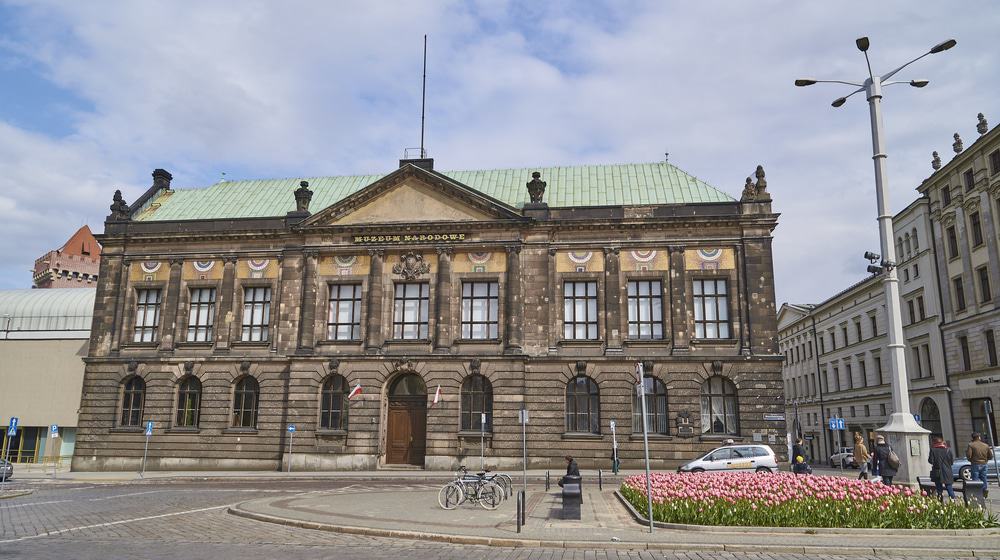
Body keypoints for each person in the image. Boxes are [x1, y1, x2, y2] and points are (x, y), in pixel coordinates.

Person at [967, 432, 995, 497]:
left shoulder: (971, 445)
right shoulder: (985, 445)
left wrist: (970, 460)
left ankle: (977, 493)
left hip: (975, 463)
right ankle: (984, 490)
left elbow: (969, 455)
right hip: (984, 463)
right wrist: (986, 460)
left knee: (975, 478)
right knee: (984, 477)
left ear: (972, 438)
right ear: (979, 437)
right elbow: (990, 456)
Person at [928, 436, 956, 501]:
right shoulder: (948, 450)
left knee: (939, 490)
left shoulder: (933, 450)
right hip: (947, 472)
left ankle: (940, 503)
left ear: (934, 442)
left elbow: (931, 461)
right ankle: (953, 502)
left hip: (937, 472)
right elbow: (951, 462)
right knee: (949, 488)